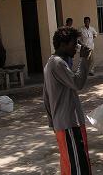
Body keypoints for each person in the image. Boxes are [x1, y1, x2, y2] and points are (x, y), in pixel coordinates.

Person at [43, 26, 92, 175]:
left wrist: (53, 122)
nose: (76, 48)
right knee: (78, 168)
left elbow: (45, 97)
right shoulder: (57, 63)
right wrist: (84, 60)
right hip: (69, 124)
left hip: (64, 124)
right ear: (63, 44)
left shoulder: (53, 63)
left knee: (72, 166)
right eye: (74, 44)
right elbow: (77, 83)